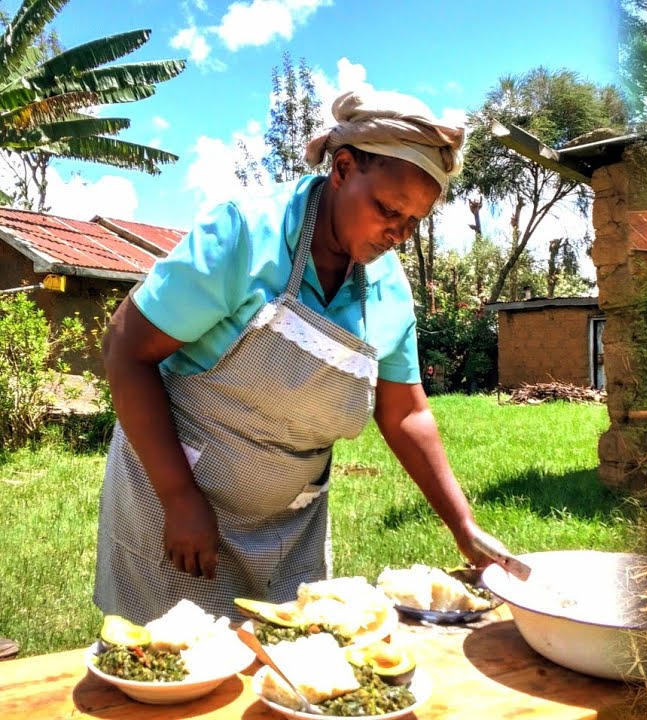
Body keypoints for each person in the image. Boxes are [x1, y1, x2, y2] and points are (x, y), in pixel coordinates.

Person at [94, 90, 510, 623]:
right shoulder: (245, 234)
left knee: (296, 673)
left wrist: (463, 526)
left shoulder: (387, 287)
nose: (398, 235)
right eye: (387, 210)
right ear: (342, 168)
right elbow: (125, 350)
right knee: (174, 673)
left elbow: (405, 412)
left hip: (291, 531)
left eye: (413, 222)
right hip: (177, 508)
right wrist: (178, 496)